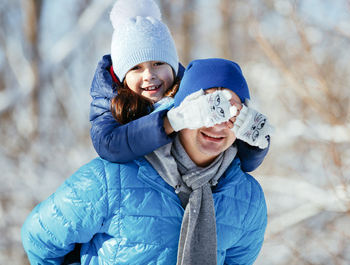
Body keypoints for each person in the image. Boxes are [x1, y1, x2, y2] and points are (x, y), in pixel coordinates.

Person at [22, 58, 268, 265]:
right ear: (182, 111)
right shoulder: (108, 179)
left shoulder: (247, 200)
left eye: (233, 111)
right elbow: (39, 238)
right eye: (210, 107)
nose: (217, 124)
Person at [89, 0, 270, 173]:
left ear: (173, 66)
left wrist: (252, 142)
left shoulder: (188, 91)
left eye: (158, 64)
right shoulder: (109, 102)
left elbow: (236, 158)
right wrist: (172, 121)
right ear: (122, 76)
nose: (149, 75)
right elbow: (110, 145)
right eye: (136, 68)